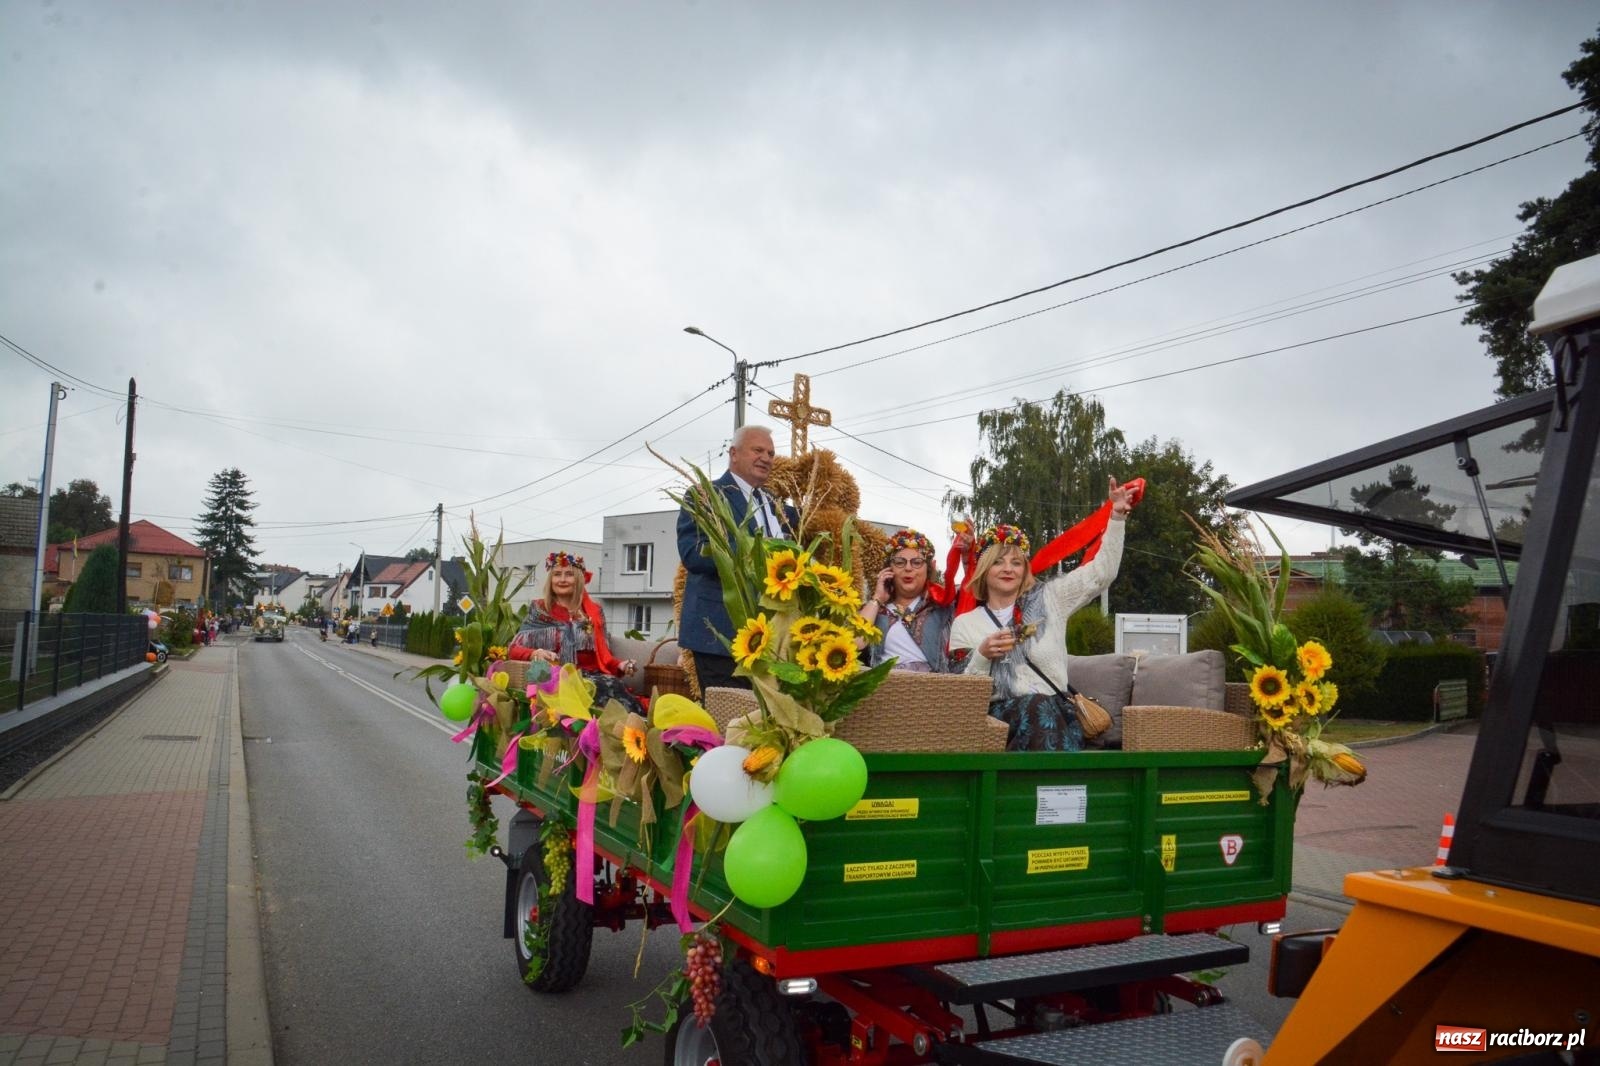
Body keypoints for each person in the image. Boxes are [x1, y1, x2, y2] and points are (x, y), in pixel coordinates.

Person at [948, 477, 1138, 751]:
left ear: (1025, 570)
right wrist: (982, 654)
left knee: (1043, 708)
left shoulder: (1050, 599)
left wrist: (1117, 517)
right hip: (1000, 721)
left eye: (1016, 562)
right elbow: (960, 696)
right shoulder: (965, 624)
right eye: (998, 562)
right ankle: (1063, 789)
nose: (1008, 569)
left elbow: (1100, 575)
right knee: (1035, 707)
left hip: (1058, 712)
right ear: (984, 570)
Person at [676, 425, 798, 693]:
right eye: (757, 450)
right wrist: (753, 552)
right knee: (728, 724)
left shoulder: (777, 507)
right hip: (720, 634)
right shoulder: (706, 495)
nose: (766, 457)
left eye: (770, 452)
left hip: (771, 638)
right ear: (734, 453)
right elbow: (693, 553)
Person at [509, 551, 642, 713]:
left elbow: (603, 656)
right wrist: (535, 653)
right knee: (604, 687)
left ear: (578, 579)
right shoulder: (539, 609)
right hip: (555, 677)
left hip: (592, 676)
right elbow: (514, 649)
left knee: (613, 686)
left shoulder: (595, 612)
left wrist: (621, 664)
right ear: (551, 580)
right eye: (557, 574)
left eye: (569, 575)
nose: (562, 580)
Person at [860, 528, 973, 672]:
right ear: (889, 570)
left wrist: (967, 557)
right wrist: (877, 598)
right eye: (900, 562)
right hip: (887, 689)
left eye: (917, 562)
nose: (908, 568)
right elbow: (854, 643)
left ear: (929, 569)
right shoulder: (876, 610)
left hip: (933, 689)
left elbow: (972, 593)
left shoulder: (942, 607)